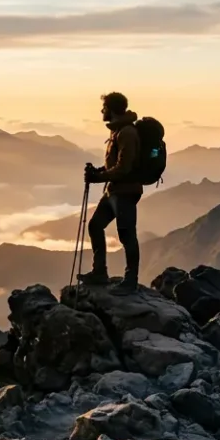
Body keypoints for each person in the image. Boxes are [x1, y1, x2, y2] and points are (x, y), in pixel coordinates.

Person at [78, 91, 141, 295]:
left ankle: (130, 281)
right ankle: (99, 272)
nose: (101, 111)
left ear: (112, 110)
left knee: (126, 235)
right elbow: (116, 164)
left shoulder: (126, 133)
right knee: (95, 225)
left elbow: (124, 168)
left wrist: (97, 178)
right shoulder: (118, 131)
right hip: (114, 190)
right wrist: (98, 172)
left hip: (125, 192)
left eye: (104, 108)